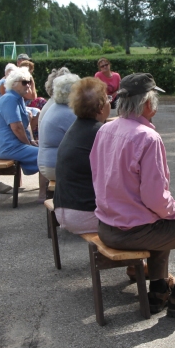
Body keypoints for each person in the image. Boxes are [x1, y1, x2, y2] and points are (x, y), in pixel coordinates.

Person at [91, 73, 175, 318]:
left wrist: (174, 209)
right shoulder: (148, 137)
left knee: (163, 218)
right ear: (148, 103)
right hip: (132, 233)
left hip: (106, 227)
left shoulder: (105, 130)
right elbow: (155, 200)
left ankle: (159, 290)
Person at [53, 77, 111, 235]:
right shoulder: (101, 132)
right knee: (145, 220)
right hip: (84, 214)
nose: (110, 102)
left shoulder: (75, 127)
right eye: (108, 98)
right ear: (100, 107)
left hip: (62, 208)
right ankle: (123, 260)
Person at [0, 68, 40, 178]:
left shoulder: (18, 98)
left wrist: (31, 141)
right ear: (13, 83)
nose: (28, 85)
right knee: (46, 156)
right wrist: (28, 144)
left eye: (29, 82)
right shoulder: (10, 99)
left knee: (46, 152)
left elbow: (26, 124)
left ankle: (46, 190)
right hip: (9, 147)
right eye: (24, 82)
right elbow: (17, 128)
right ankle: (45, 192)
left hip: (15, 146)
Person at [37, 72, 79, 185]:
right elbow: (85, 138)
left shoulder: (55, 107)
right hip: (55, 166)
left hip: (46, 163)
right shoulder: (68, 113)